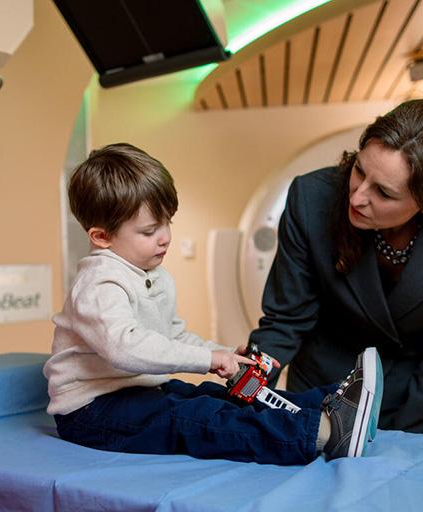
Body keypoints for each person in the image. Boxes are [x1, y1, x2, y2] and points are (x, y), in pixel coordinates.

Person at [44, 143, 384, 465]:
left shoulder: (152, 274)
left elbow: (173, 337)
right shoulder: (100, 283)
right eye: (149, 231)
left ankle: (329, 409)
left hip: (136, 391)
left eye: (167, 223)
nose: (165, 237)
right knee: (198, 419)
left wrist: (224, 355)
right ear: (101, 237)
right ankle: (319, 435)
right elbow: (125, 347)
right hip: (91, 412)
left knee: (216, 397)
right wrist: (206, 359)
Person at [250, 99, 423, 435]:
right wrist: (252, 375)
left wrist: (401, 441)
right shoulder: (311, 198)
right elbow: (286, 318)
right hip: (325, 389)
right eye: (359, 170)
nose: (358, 197)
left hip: (421, 397)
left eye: (384, 193)